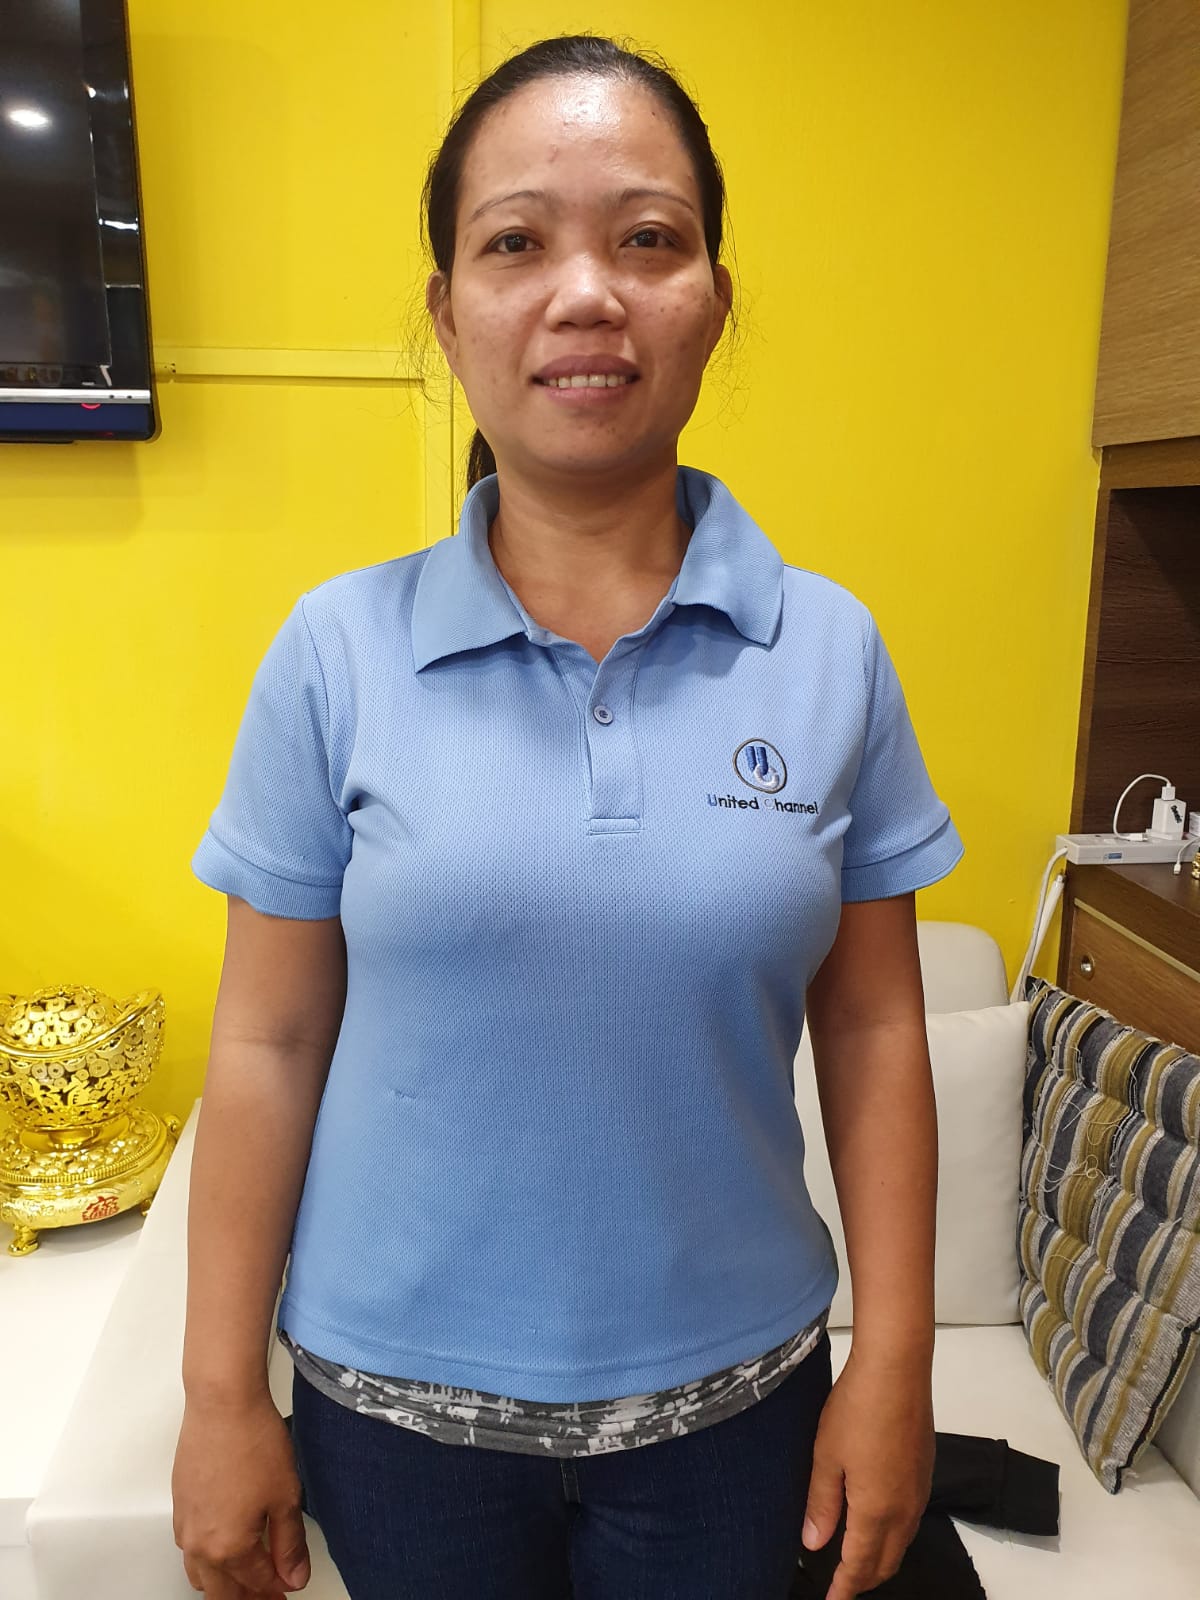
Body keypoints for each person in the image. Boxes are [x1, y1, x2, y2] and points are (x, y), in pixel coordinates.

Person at [171, 32, 964, 1600]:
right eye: (517, 243)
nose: (587, 293)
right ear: (447, 313)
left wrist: (898, 1362)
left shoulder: (831, 651)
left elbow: (877, 1033)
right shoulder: (335, 651)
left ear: (714, 301)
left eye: (648, 239)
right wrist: (215, 1397)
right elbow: (267, 1043)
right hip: (394, 1425)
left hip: (736, 1415)